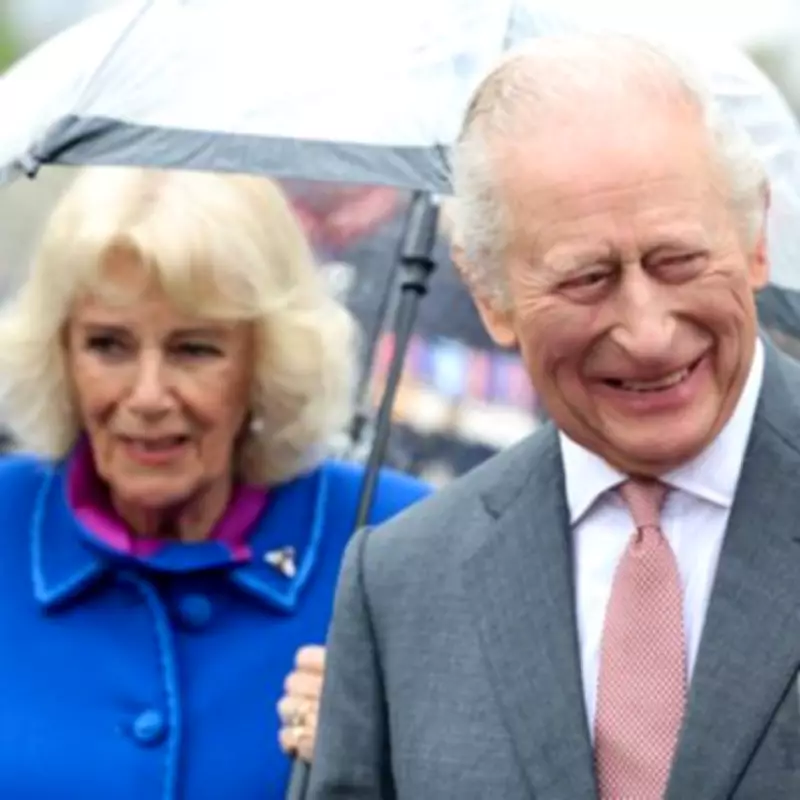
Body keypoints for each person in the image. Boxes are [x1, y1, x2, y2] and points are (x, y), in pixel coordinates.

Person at [308, 32, 800, 800]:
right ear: (490, 295)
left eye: (677, 261)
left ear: (755, 238)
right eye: (587, 279)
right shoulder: (403, 585)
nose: (646, 332)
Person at [0, 166, 430, 799]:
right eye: (108, 345)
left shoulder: (405, 545)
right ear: (59, 351)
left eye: (194, 349)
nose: (147, 397)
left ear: (267, 357)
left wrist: (396, 767)